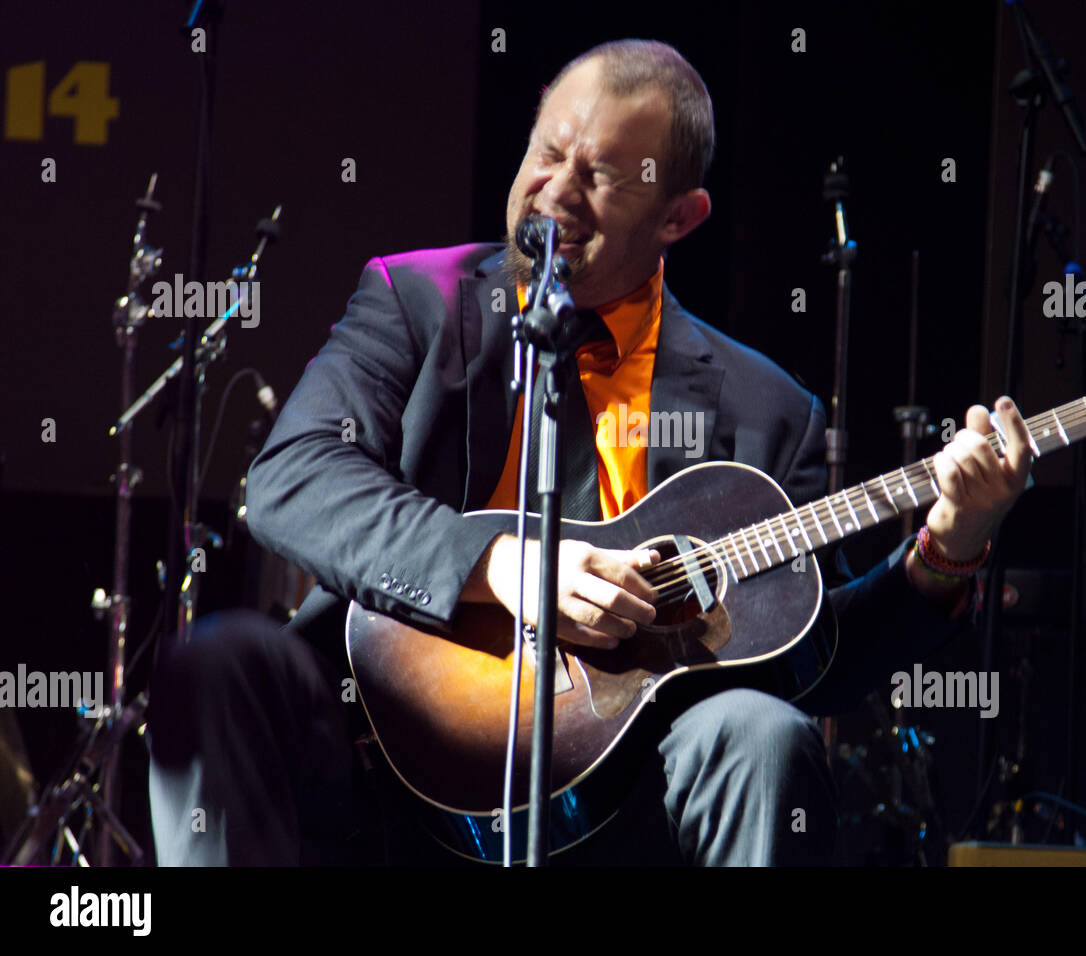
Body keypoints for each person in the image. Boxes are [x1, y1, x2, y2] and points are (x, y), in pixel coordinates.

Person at [147, 39, 1031, 866]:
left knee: (764, 735)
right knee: (218, 659)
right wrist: (504, 565)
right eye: (548, 153)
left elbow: (820, 652)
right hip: (378, 751)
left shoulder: (772, 411)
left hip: (615, 800)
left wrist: (948, 548)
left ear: (680, 216)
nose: (556, 194)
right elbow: (293, 478)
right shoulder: (417, 299)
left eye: (602, 176)